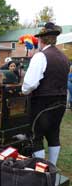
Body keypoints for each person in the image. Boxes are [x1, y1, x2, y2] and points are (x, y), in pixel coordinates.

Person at [22, 22, 70, 166]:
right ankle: (52, 169)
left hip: (42, 103)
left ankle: (41, 171)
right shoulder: (64, 58)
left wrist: (24, 90)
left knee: (36, 136)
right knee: (53, 135)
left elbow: (30, 84)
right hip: (61, 102)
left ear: (41, 40)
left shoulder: (41, 56)